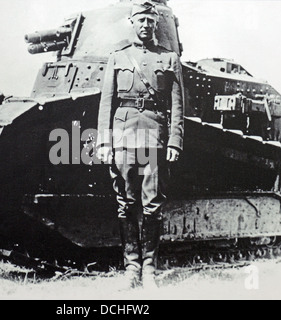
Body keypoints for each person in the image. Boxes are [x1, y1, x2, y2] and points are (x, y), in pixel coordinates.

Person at [96, 1, 184, 289]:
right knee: (125, 203)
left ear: (156, 24)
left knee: (152, 205)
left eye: (150, 20)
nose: (145, 25)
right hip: (123, 138)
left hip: (154, 137)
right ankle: (131, 268)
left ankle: (149, 271)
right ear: (131, 23)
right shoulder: (118, 57)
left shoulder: (169, 58)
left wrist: (174, 140)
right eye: (141, 20)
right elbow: (106, 103)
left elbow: (176, 104)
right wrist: (104, 141)